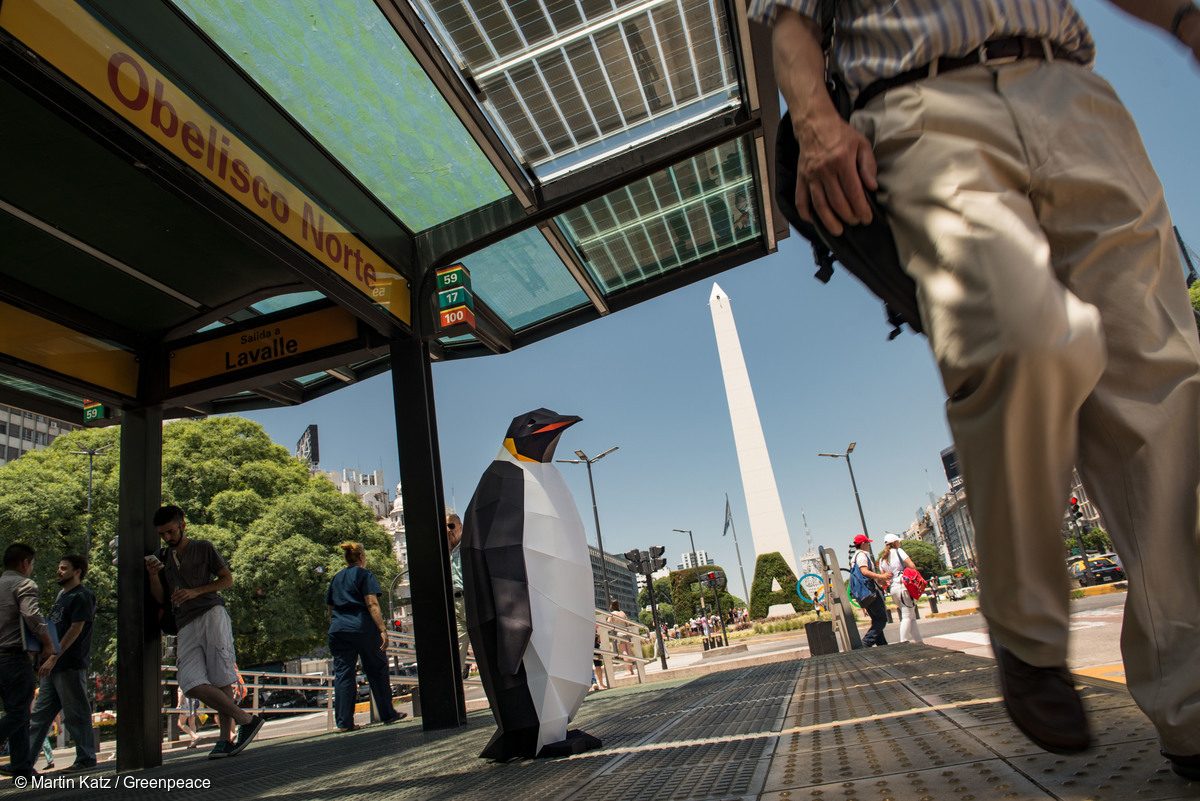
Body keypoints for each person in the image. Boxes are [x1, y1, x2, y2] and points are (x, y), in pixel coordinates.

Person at [754, 0, 1200, 772]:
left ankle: (1192, 706)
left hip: (1072, 87)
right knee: (1022, 336)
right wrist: (817, 119)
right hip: (921, 98)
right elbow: (785, 10)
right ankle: (1027, 628)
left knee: (1158, 385)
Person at [147, 505, 262, 759]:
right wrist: (154, 576)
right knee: (190, 682)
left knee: (222, 677)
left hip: (211, 613)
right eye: (162, 534)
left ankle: (225, 739)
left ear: (182, 525)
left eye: (170, 531)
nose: (167, 538)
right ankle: (245, 719)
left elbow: (227, 579)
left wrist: (196, 591)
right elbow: (160, 598)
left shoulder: (203, 547)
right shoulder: (162, 557)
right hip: (184, 622)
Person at [27, 555, 97, 771]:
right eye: (59, 567)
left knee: (76, 713)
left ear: (77, 571)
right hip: (53, 664)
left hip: (69, 664)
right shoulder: (61, 595)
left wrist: (55, 655)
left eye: (64, 568)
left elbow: (76, 628)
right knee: (39, 715)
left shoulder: (82, 596)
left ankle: (86, 758)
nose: (59, 571)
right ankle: (24, 762)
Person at [326, 541, 404, 732]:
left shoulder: (336, 578)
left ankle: (344, 722)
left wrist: (337, 624)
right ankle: (387, 713)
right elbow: (372, 604)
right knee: (377, 668)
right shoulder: (364, 574)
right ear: (362, 557)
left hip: (338, 629)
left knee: (344, 673)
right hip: (362, 628)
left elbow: (329, 608)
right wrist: (382, 629)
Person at [0, 543, 53, 782]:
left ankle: (21, 767)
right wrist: (47, 642)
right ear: (25, 563)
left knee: (16, 712)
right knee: (20, 711)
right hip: (14, 656)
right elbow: (31, 614)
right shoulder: (24, 583)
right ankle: (21, 766)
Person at [879, 535, 922, 645]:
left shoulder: (882, 559)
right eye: (899, 541)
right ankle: (903, 641)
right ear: (895, 542)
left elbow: (883, 581)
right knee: (907, 616)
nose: (900, 543)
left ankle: (919, 642)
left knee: (911, 616)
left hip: (893, 589)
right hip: (903, 587)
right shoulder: (899, 551)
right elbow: (912, 566)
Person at [850, 535, 890, 647]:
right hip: (870, 592)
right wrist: (881, 576)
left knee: (876, 619)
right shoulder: (862, 556)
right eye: (867, 543)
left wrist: (880, 581)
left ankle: (882, 644)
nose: (869, 545)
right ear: (863, 544)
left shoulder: (855, 557)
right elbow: (864, 572)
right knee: (882, 619)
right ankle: (865, 643)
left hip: (864, 593)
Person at [446, 513, 470, 681]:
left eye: (451, 526)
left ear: (460, 526)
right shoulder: (445, 550)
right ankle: (457, 678)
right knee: (458, 646)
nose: (449, 530)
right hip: (453, 602)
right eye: (446, 527)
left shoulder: (468, 545)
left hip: (467, 599)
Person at [607, 601, 635, 675]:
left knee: (624, 652)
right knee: (628, 651)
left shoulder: (612, 614)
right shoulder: (622, 613)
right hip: (626, 632)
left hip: (619, 634)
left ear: (611, 606)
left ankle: (628, 670)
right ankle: (631, 670)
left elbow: (608, 624)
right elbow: (627, 623)